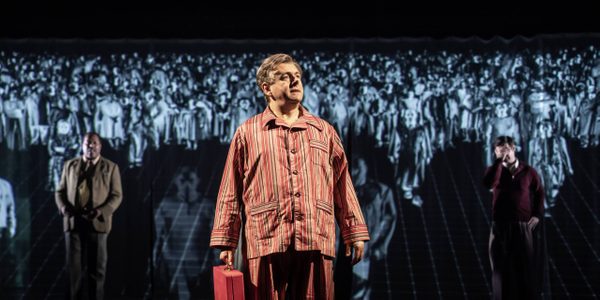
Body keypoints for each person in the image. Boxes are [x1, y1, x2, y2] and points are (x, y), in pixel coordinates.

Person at [209, 53, 370, 300]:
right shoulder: (248, 133)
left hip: (315, 237)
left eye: (297, 76)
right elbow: (230, 190)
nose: (296, 82)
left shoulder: (324, 131)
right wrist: (227, 241)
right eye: (285, 77)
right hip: (265, 240)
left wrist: (354, 230)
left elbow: (342, 183)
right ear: (267, 88)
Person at [55, 132, 123, 300]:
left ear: (100, 146)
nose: (90, 146)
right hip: (73, 223)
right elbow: (59, 192)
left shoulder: (111, 167)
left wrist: (101, 211)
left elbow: (117, 195)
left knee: (97, 272)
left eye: (94, 143)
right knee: (73, 272)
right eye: (87, 143)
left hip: (98, 223)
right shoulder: (69, 165)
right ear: (82, 145)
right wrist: (63, 208)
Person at [483, 136, 544, 300]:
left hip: (522, 226)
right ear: (495, 151)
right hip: (500, 226)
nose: (505, 152)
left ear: (514, 149)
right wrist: (498, 162)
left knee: (525, 269)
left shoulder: (528, 171)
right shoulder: (494, 170)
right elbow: (489, 183)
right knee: (499, 270)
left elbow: (539, 192)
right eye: (500, 149)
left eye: (507, 148)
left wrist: (537, 214)